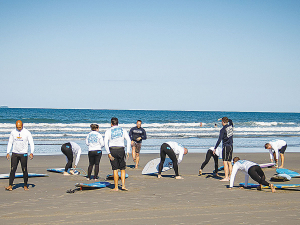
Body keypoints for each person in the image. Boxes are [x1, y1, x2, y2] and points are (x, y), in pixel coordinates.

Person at [5, 120, 34, 191]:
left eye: (20, 127)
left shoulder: (27, 133)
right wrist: (8, 152)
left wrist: (31, 152)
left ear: (22, 125)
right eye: (17, 127)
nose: (18, 128)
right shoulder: (13, 132)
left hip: (23, 153)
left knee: (24, 169)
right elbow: (10, 142)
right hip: (15, 153)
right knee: (12, 169)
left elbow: (31, 142)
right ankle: (10, 185)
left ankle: (25, 185)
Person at [104, 117, 131, 191]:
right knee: (122, 169)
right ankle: (123, 186)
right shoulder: (123, 130)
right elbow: (128, 140)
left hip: (112, 149)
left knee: (115, 169)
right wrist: (128, 151)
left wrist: (108, 153)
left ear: (111, 124)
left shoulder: (108, 131)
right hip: (121, 149)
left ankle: (116, 187)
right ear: (117, 123)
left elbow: (105, 143)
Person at [214, 117, 233, 182]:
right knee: (229, 162)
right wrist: (223, 118)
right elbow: (230, 120)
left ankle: (226, 177)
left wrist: (215, 148)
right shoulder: (230, 126)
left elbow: (219, 140)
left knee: (225, 162)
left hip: (225, 146)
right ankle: (230, 176)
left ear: (222, 122)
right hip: (231, 146)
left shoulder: (222, 130)